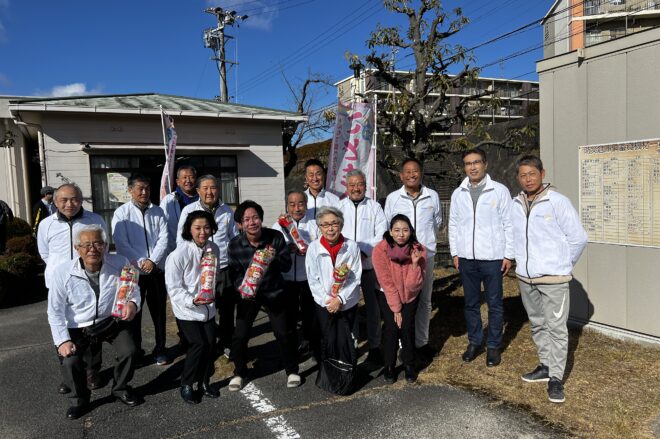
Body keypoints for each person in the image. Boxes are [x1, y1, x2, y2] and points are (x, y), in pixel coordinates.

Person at [511, 155, 587, 404]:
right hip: (525, 277)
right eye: (523, 175)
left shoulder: (557, 202)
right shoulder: (517, 203)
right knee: (537, 324)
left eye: (532, 173)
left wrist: (562, 265)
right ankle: (545, 366)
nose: (527, 179)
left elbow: (578, 238)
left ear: (542, 174)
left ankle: (556, 378)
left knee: (556, 328)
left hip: (553, 279)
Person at [47, 224, 141, 420]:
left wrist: (132, 303)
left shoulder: (120, 262)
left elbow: (133, 289)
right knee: (70, 360)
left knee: (130, 351)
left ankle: (121, 388)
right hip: (78, 326)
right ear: (77, 248)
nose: (93, 249)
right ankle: (79, 399)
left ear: (105, 246)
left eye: (98, 243)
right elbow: (54, 311)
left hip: (110, 320)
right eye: (86, 244)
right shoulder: (62, 272)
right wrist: (62, 341)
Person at [37, 183, 108, 393]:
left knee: (92, 325)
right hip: (59, 284)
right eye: (64, 200)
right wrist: (60, 272)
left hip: (89, 280)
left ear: (81, 200)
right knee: (62, 324)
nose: (70, 204)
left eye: (75, 199)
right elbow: (45, 252)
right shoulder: (46, 224)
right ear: (56, 201)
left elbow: (102, 246)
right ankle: (69, 374)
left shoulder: (94, 220)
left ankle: (92, 370)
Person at [448, 148, 514, 367]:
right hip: (467, 258)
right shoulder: (459, 193)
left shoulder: (500, 191)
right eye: (468, 163)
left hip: (493, 257)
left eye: (476, 162)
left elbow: (509, 224)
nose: (472, 167)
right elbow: (454, 224)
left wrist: (508, 255)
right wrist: (455, 252)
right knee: (471, 303)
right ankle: (475, 341)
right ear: (464, 167)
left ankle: (493, 346)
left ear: (485, 164)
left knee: (495, 304)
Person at [227, 200, 299, 391]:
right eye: (247, 219)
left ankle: (292, 369)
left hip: (274, 291)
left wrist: (274, 257)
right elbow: (234, 273)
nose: (252, 222)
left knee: (283, 332)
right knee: (240, 335)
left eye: (256, 218)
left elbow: (286, 266)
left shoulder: (274, 237)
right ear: (240, 224)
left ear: (261, 219)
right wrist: (242, 288)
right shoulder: (235, 244)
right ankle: (239, 372)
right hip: (248, 296)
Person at [384, 157, 442, 361]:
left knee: (425, 301)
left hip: (425, 257)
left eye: (415, 171)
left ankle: (421, 342)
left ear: (421, 173)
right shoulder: (393, 198)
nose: (411, 175)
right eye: (407, 172)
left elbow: (437, 223)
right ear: (401, 175)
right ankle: (403, 343)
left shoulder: (432, 196)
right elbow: (388, 227)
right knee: (401, 302)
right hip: (400, 258)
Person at [111, 174, 170, 366]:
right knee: (132, 313)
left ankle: (160, 349)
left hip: (155, 270)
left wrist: (152, 260)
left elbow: (164, 238)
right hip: (133, 272)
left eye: (147, 188)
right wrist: (142, 260)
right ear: (130, 191)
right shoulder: (122, 213)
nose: (144, 192)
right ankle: (135, 351)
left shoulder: (158, 211)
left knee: (159, 313)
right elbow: (121, 243)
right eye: (139, 188)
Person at [177, 175, 239, 356]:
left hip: (224, 268)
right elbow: (181, 240)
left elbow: (233, 238)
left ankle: (226, 342)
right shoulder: (188, 210)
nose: (209, 192)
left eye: (213, 187)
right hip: (199, 270)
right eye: (205, 188)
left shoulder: (226, 210)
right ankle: (205, 344)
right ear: (197, 191)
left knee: (227, 310)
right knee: (204, 307)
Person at [165, 210, 221, 404]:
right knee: (198, 344)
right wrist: (192, 301)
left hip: (208, 309)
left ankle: (204, 382)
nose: (202, 232)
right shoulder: (178, 254)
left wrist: (210, 295)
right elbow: (173, 287)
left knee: (211, 345)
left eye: (206, 227)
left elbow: (214, 276)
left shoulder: (213, 248)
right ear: (189, 229)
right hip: (187, 309)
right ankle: (186, 383)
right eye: (197, 228)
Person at [338, 169, 388, 365]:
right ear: (347, 187)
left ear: (365, 186)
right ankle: (351, 346)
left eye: (359, 184)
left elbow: (381, 234)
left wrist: (364, 251)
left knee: (373, 309)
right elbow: (335, 233)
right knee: (349, 308)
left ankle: (375, 347)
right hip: (346, 268)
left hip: (369, 265)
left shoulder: (374, 207)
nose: (356, 188)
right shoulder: (340, 206)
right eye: (352, 185)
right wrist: (350, 254)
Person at [305, 207, 362, 370]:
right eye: (325, 225)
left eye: (334, 223)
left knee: (347, 338)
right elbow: (312, 278)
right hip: (325, 303)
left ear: (341, 225)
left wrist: (340, 298)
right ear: (320, 227)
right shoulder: (314, 248)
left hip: (347, 302)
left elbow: (355, 277)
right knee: (329, 337)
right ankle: (331, 370)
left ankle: (347, 369)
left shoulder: (351, 246)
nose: (330, 228)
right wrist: (327, 300)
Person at [372, 214, 426, 384]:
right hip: (387, 294)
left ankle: (409, 364)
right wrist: (396, 308)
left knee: (407, 328)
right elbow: (386, 282)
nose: (401, 234)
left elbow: (413, 286)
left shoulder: (419, 250)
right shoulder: (380, 250)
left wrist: (416, 264)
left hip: (410, 296)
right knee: (392, 329)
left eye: (405, 230)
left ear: (411, 232)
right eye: (397, 230)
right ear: (390, 232)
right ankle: (389, 365)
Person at [271, 190, 321, 360]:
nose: (296, 208)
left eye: (300, 203)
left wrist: (306, 248)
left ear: (307, 206)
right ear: (287, 206)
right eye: (292, 204)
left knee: (310, 315)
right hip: (286, 279)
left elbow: (320, 248)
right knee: (289, 316)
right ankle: (290, 349)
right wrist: (286, 249)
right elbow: (271, 251)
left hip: (308, 278)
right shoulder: (278, 226)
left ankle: (312, 345)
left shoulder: (315, 225)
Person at [160, 165, 199, 253]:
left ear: (196, 180)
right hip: (174, 249)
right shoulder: (169, 200)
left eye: (191, 177)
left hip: (199, 248)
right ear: (178, 182)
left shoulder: (202, 199)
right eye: (184, 177)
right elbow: (161, 225)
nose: (188, 181)